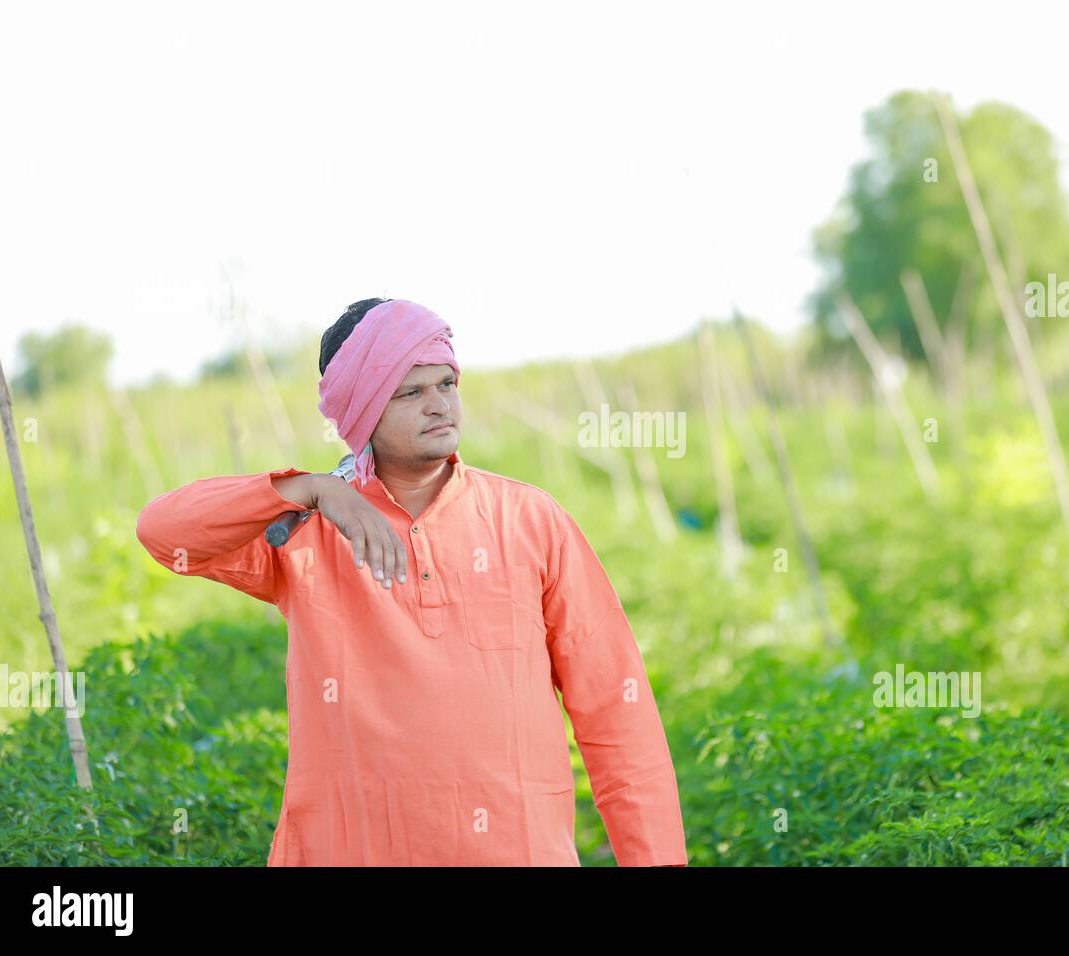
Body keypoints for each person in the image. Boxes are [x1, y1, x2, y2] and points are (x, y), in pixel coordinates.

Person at [135, 298, 688, 866]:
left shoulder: (530, 519)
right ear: (360, 410)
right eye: (410, 392)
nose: (439, 405)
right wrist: (313, 490)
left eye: (446, 383)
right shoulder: (304, 531)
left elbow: (618, 714)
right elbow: (162, 530)